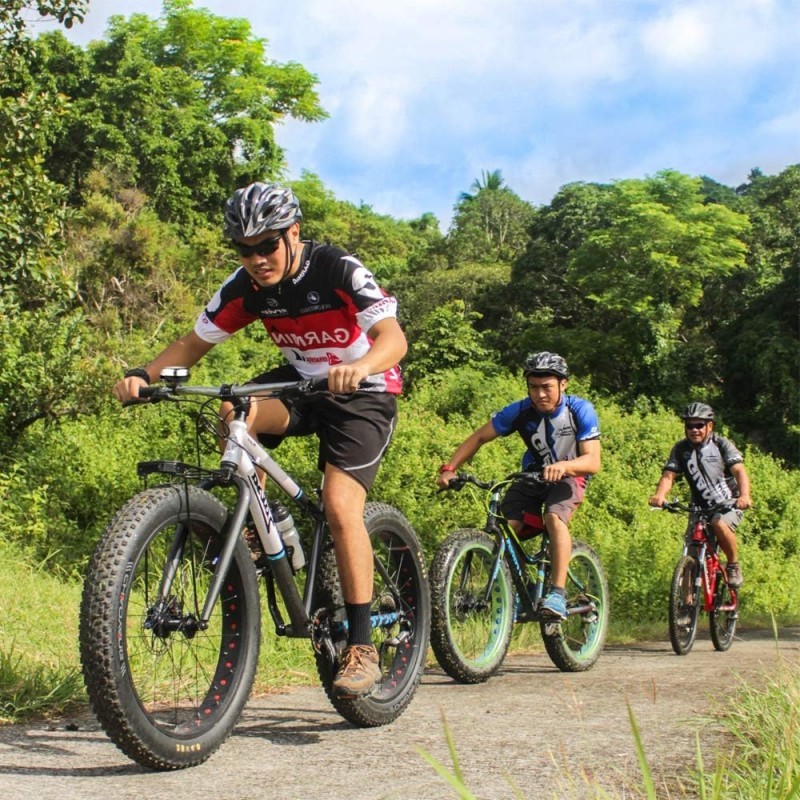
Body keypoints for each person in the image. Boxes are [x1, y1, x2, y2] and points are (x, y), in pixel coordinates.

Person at [113, 182, 407, 698]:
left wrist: (358, 365)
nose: (256, 259)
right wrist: (145, 374)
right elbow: (193, 343)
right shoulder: (246, 286)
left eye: (267, 245)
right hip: (301, 385)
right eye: (244, 249)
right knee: (235, 409)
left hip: (363, 390)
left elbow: (393, 338)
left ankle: (362, 645)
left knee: (341, 508)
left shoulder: (337, 267)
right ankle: (267, 521)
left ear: (293, 234)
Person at [436, 352, 601, 620]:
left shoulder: (580, 410)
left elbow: (593, 461)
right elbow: (479, 437)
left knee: (554, 517)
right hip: (533, 476)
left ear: (564, 384)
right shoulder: (521, 411)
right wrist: (450, 468)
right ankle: (524, 588)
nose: (540, 394)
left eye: (547, 387)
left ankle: (557, 593)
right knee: (507, 529)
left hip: (572, 473)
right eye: (533, 387)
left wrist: (564, 466)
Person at [648, 402, 752, 588]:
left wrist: (744, 496)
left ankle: (733, 565)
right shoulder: (680, 449)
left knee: (718, 523)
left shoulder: (721, 445)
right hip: (699, 507)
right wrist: (659, 495)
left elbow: (739, 472)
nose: (694, 430)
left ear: (709, 426)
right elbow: (668, 476)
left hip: (727, 504)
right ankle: (686, 608)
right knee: (691, 551)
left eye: (699, 425)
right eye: (690, 425)